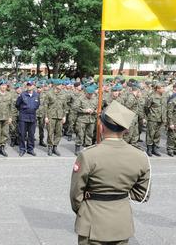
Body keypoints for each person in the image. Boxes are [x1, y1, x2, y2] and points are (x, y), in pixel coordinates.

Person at [69, 101, 151, 245]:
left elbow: (76, 194)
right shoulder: (140, 156)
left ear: (101, 127)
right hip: (121, 221)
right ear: (126, 130)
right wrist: (120, 194)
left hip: (92, 221)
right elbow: (142, 195)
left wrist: (84, 211)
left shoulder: (88, 155)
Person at [15, 81, 40, 156]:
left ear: (33, 86)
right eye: (28, 85)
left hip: (32, 117)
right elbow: (17, 105)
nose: (29, 86)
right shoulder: (22, 95)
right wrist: (24, 110)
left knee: (31, 134)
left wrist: (32, 109)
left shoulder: (36, 95)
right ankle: (22, 149)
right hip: (23, 117)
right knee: (22, 134)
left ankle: (30, 149)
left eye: (30, 85)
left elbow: (38, 105)